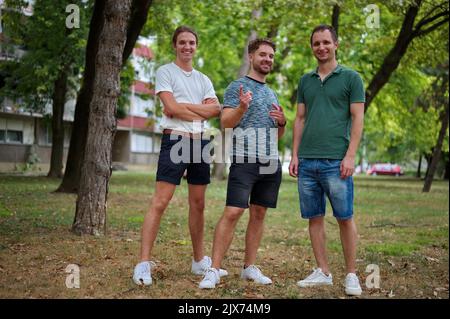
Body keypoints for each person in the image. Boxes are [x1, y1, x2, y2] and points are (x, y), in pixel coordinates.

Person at [133, 26, 227, 286]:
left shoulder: (203, 79)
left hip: (200, 143)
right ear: (175, 45)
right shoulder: (165, 71)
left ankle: (199, 261)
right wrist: (196, 110)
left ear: (196, 46)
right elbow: (170, 107)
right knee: (160, 202)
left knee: (198, 204)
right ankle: (142, 264)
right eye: (182, 42)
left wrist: (183, 108)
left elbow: (216, 110)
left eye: (192, 42)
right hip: (175, 139)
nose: (187, 46)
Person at [198, 38, 286, 289]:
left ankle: (249, 267)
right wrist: (242, 107)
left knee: (259, 214)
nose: (267, 59)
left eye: (270, 56)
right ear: (251, 56)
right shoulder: (237, 87)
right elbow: (226, 121)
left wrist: (282, 123)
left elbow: (276, 135)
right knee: (234, 211)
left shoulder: (272, 92)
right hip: (244, 160)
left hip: (270, 163)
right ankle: (214, 269)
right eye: (263, 55)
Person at [289, 25, 365, 296]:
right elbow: (299, 118)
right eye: (316, 43)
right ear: (312, 47)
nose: (321, 47)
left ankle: (352, 274)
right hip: (307, 161)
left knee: (345, 217)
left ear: (336, 44)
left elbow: (358, 118)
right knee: (315, 217)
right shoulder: (305, 80)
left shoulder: (351, 78)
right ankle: (322, 271)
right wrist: (295, 154)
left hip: (337, 161)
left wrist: (351, 155)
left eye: (325, 42)